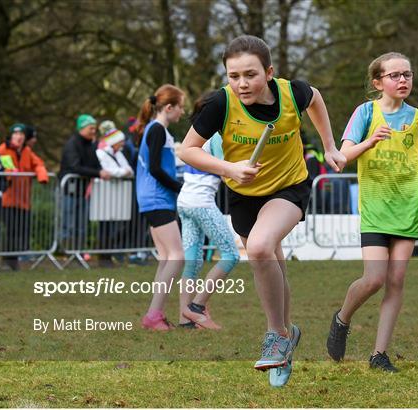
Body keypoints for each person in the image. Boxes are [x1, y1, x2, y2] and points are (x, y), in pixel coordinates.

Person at [179, 35, 346, 387]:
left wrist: (329, 145)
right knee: (272, 259)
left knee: (257, 248)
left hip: (289, 187)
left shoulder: (292, 93)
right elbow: (187, 150)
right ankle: (287, 338)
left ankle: (275, 335)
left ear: (268, 72)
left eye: (250, 75)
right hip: (244, 194)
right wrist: (229, 168)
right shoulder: (220, 105)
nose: (242, 83)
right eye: (234, 75)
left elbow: (315, 98)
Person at [326, 52, 418, 372]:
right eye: (395, 75)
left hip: (406, 208)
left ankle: (379, 354)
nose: (403, 80)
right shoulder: (365, 112)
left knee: (396, 279)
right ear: (378, 82)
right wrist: (371, 141)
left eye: (407, 75)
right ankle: (342, 318)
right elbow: (343, 157)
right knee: (374, 279)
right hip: (375, 206)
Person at [177, 93, 240, 330]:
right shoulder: (216, 136)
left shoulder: (194, 135)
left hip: (184, 203)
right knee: (231, 255)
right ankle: (197, 308)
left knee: (191, 263)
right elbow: (228, 172)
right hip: (201, 204)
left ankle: (185, 321)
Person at [136, 84, 185, 331]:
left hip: (153, 199)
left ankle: (155, 314)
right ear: (169, 107)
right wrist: (179, 187)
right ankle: (153, 314)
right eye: (180, 107)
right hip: (157, 199)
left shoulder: (156, 130)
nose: (182, 112)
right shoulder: (156, 130)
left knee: (166, 257)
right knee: (178, 256)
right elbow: (155, 168)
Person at [0, 123, 49, 270]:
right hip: (7, 198)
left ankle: (14, 262)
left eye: (22, 135)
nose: (19, 137)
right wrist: (9, 172)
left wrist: (42, 176)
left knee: (21, 231)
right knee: (10, 230)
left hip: (23, 199)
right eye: (16, 134)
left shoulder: (27, 151)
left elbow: (38, 164)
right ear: (11, 136)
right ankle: (7, 261)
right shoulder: (3, 149)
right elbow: (4, 167)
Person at [59, 114, 111, 249]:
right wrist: (98, 173)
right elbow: (74, 167)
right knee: (68, 223)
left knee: (81, 225)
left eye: (95, 129)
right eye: (91, 128)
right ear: (82, 128)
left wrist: (102, 170)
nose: (94, 131)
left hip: (83, 191)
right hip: (69, 190)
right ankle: (66, 252)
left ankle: (79, 252)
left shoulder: (91, 144)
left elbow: (94, 163)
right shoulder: (72, 144)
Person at [96, 126, 134, 266]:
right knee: (105, 226)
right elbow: (112, 171)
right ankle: (103, 257)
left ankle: (109, 255)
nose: (123, 144)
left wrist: (121, 171)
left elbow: (129, 169)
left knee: (114, 224)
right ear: (113, 141)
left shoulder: (118, 153)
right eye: (120, 141)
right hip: (104, 194)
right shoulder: (101, 153)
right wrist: (122, 171)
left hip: (115, 195)